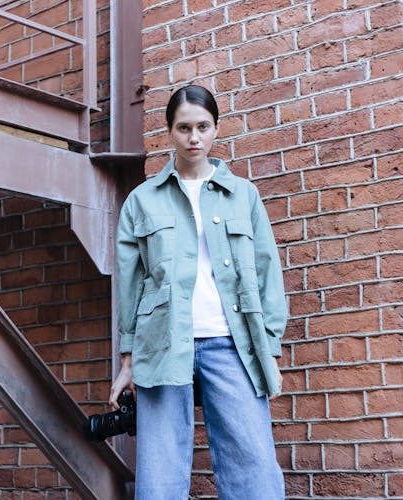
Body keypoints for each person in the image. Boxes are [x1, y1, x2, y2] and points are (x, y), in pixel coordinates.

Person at [109, 84, 286, 499]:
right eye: (184, 127)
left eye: (203, 127)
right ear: (170, 131)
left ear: (215, 129)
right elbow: (131, 286)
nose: (194, 137)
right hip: (162, 344)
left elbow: (266, 272)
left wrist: (269, 347)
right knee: (160, 474)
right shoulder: (141, 201)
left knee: (254, 468)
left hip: (232, 342)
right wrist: (128, 359)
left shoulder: (244, 195)